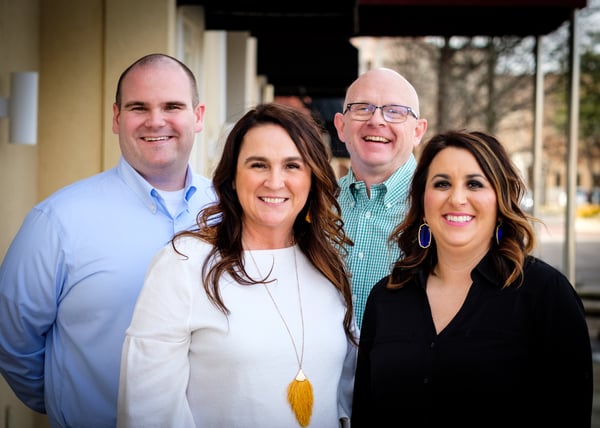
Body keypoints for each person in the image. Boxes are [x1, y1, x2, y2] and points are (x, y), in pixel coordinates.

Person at [0, 53, 216, 427]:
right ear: (117, 118)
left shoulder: (230, 212)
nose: (156, 120)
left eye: (172, 106)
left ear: (197, 116)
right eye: (139, 107)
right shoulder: (58, 221)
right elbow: (12, 338)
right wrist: (64, 402)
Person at [117, 103, 358, 428]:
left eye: (292, 166)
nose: (275, 181)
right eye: (258, 165)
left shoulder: (329, 265)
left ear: (312, 178)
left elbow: (345, 393)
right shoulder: (185, 264)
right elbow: (149, 411)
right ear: (232, 177)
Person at [351, 130, 593, 427]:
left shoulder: (546, 294)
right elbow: (364, 412)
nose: (457, 198)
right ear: (422, 200)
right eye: (442, 184)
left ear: (500, 198)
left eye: (474, 184)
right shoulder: (386, 296)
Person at [333, 67, 428, 328]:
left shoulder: (437, 208)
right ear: (341, 126)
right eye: (362, 108)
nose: (377, 120)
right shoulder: (315, 205)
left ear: (418, 131)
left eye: (395, 111)